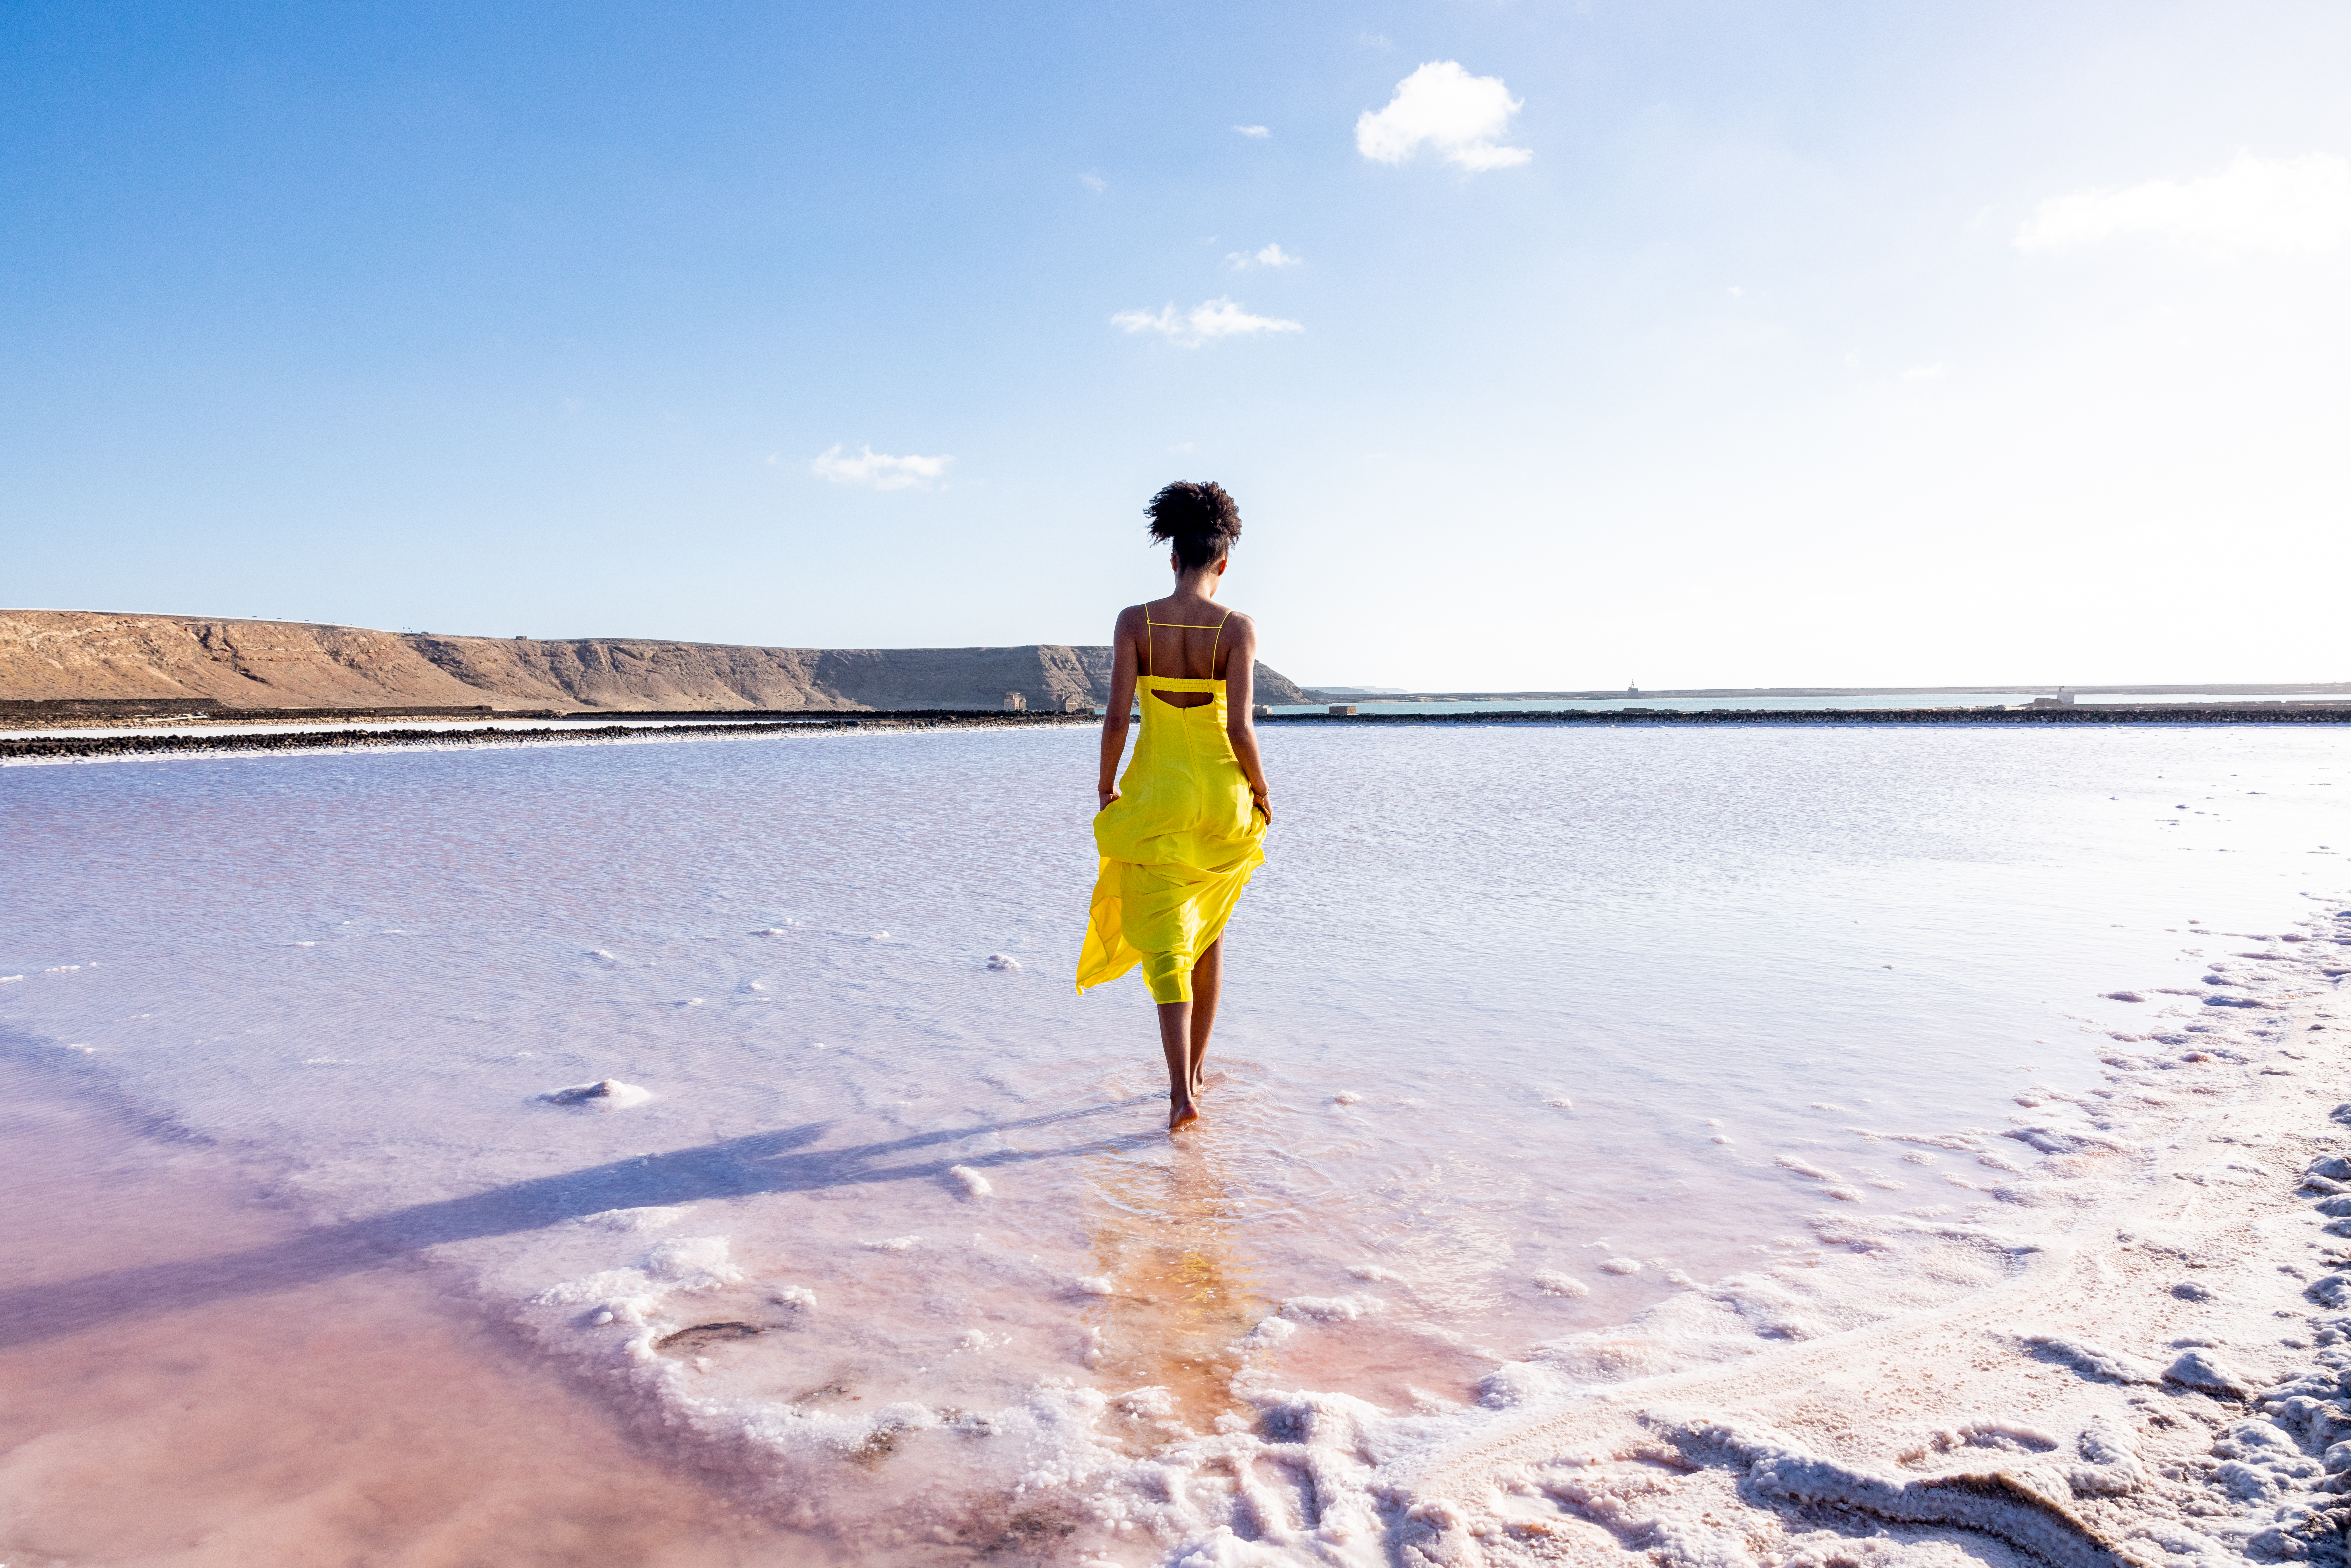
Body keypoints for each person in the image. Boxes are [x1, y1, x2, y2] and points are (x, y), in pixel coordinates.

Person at [1076, 481, 1273, 1131]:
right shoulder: (1238, 627)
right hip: (1220, 794)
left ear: (1172, 557)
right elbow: (1241, 730)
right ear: (1223, 562)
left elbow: (1115, 720)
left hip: (1159, 795)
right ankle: (1195, 1076)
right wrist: (1262, 792)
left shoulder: (1135, 621)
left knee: (1168, 942)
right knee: (1210, 928)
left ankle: (1177, 1091)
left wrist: (1106, 788)